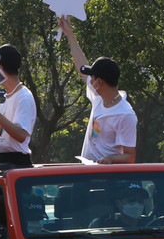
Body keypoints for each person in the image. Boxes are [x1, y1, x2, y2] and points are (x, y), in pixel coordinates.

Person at [58, 16, 138, 164]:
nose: (89, 80)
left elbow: (130, 157)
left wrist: (109, 159)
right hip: (88, 172)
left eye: (92, 78)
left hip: (108, 179)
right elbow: (81, 66)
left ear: (99, 82)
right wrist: (70, 34)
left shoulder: (125, 115)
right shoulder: (98, 97)